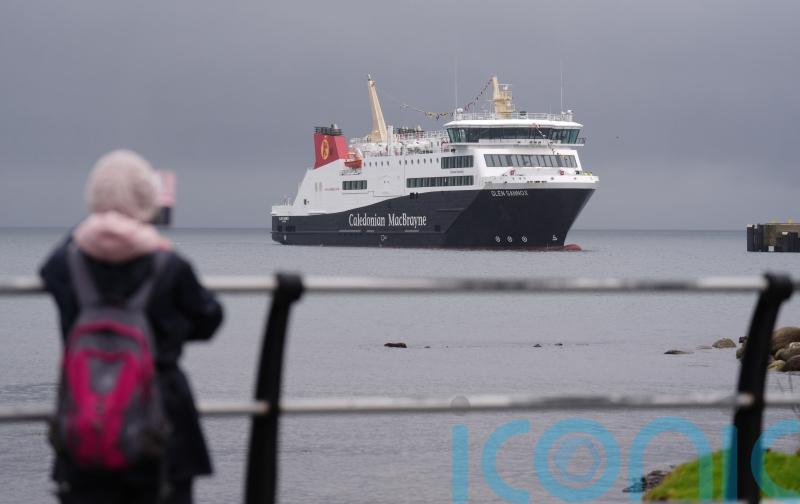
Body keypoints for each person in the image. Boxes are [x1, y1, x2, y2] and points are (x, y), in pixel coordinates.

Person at [40, 150, 223, 504]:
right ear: (148, 201)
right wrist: (150, 232)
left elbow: (49, 269)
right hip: (162, 426)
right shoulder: (168, 264)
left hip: (88, 423)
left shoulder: (67, 264)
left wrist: (97, 222)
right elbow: (210, 319)